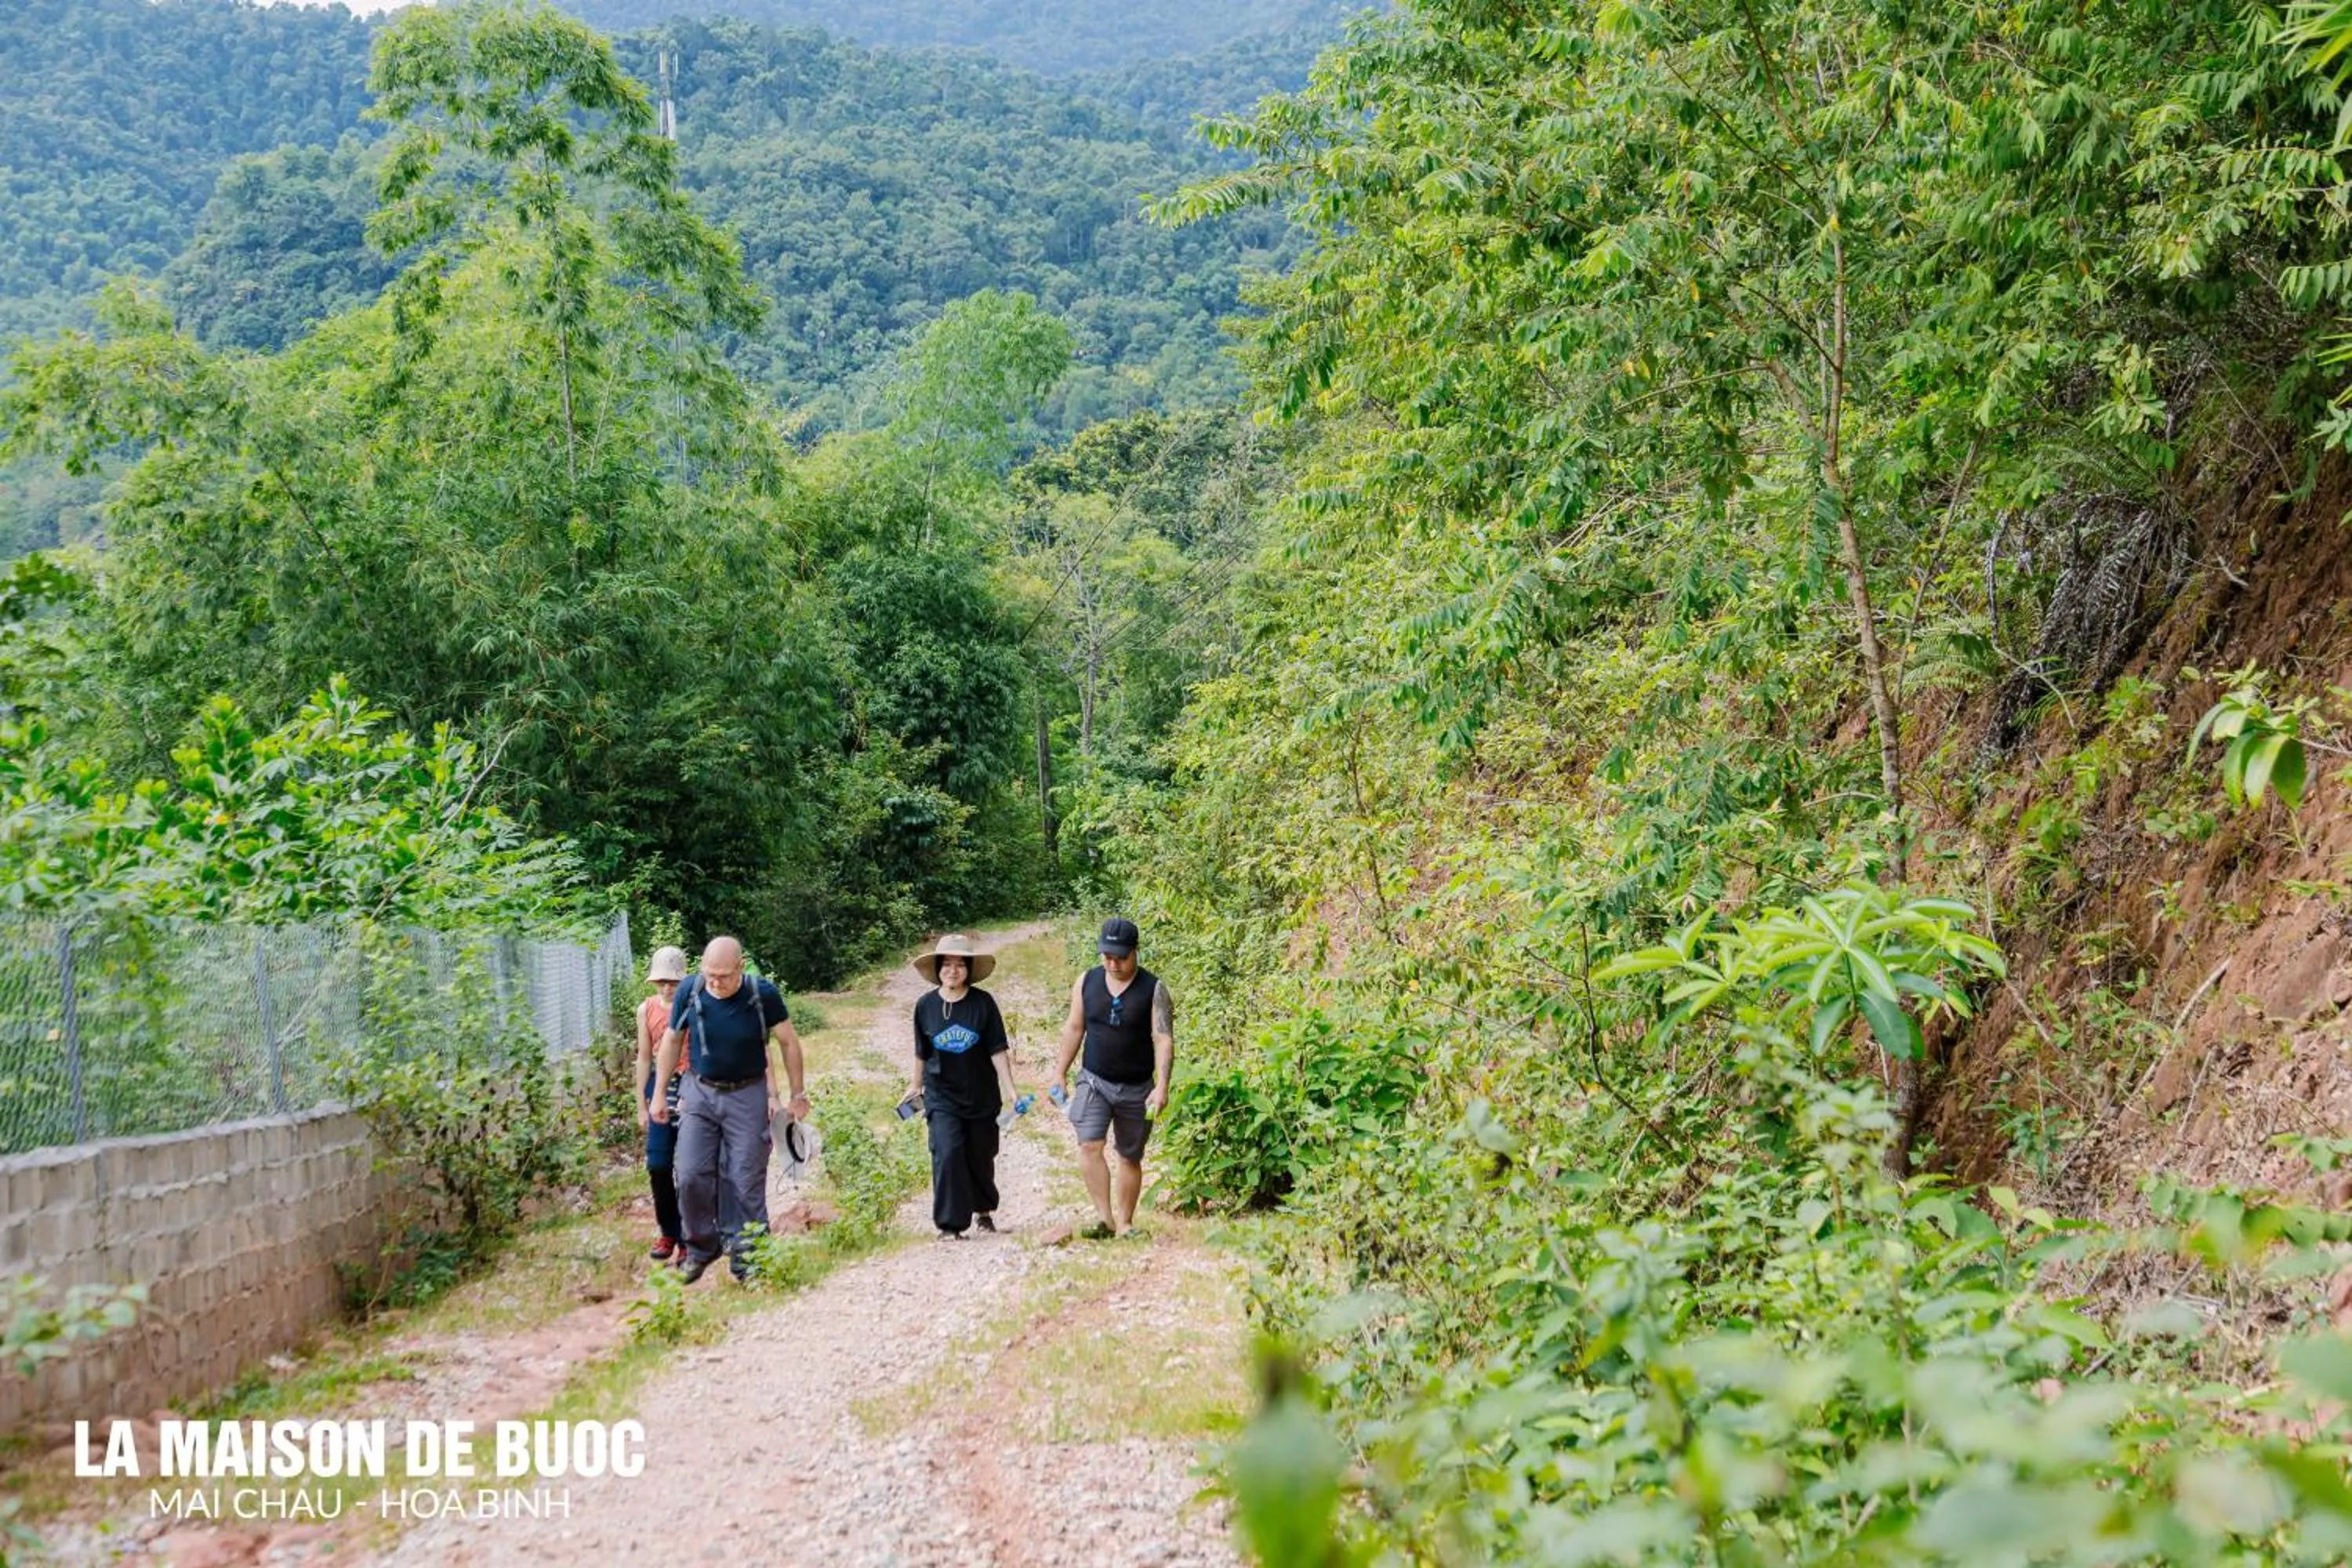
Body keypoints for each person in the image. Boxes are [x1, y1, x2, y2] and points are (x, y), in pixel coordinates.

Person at [651, 936, 810, 1283]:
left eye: (723, 975)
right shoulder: (690, 991)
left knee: (745, 1179)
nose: (715, 982)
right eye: (709, 973)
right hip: (700, 1091)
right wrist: (659, 1093)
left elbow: (788, 1042)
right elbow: (672, 1041)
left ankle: (750, 1259)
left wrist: (797, 1093)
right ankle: (700, 1249)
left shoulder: (761, 993)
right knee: (690, 1174)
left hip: (747, 1093)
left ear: (740, 967)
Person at [1051, 916, 1173, 1239]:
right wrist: (1060, 1072)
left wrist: (1162, 1085)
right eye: (1107, 956)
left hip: (1137, 1087)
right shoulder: (1087, 982)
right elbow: (1075, 1027)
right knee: (1089, 1144)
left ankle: (1126, 1223)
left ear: (1135, 952)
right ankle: (1104, 1220)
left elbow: (1162, 1038)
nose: (1113, 963)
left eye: (1120, 957)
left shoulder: (1154, 989)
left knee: (1129, 1156)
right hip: (1094, 1080)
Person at [909, 934, 1021, 1240]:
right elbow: (922, 1051)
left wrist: (1011, 1091)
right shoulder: (925, 1006)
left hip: (981, 1096)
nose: (953, 970)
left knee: (980, 1155)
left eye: (960, 965)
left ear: (968, 969)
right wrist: (914, 1086)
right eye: (947, 964)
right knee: (947, 1152)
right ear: (938, 969)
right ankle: (950, 1225)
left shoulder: (983, 1004)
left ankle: (983, 1212)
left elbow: (997, 1049)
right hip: (941, 1096)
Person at [632, 946, 691, 1261]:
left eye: (673, 981)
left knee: (689, 1166)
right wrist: (641, 1103)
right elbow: (643, 1058)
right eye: (662, 981)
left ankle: (687, 1238)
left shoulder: (693, 1005)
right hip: (660, 1085)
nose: (667, 987)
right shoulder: (646, 1010)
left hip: (690, 1084)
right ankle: (668, 1231)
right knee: (658, 1163)